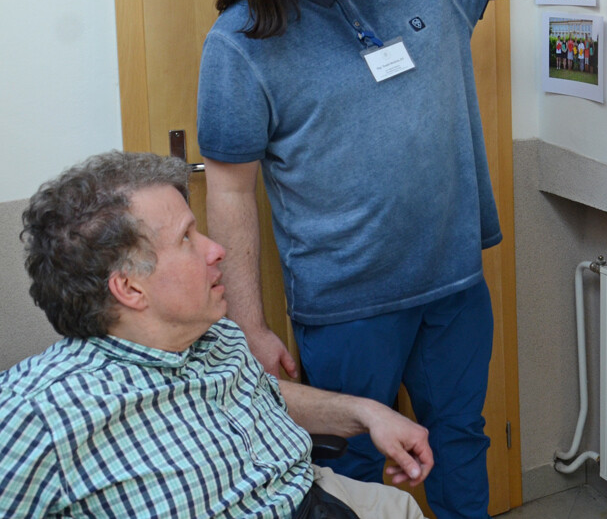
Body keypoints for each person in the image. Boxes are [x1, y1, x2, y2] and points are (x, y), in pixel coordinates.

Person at [196, 0, 607, 519]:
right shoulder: (241, 42)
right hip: (346, 305)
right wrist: (248, 326)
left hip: (453, 282)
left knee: (461, 441)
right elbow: (230, 189)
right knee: (349, 463)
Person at [0, 151, 433, 519]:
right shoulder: (38, 414)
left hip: (310, 494)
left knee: (399, 506)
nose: (216, 249)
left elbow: (269, 395)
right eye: (187, 238)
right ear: (130, 288)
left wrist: (367, 413)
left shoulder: (214, 333)